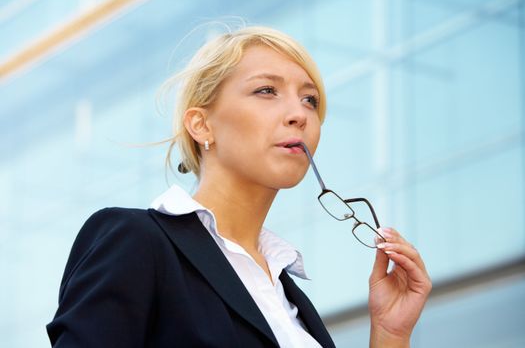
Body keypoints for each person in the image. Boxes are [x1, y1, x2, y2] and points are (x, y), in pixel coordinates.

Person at [47, 26, 431, 347]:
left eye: (310, 100)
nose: (299, 114)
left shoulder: (288, 296)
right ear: (201, 125)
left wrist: (389, 333)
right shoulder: (136, 240)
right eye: (267, 90)